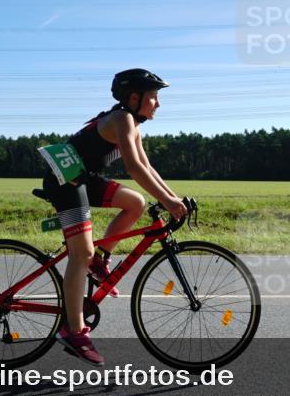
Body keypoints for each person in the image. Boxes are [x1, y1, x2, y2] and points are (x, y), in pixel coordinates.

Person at [40, 69, 188, 366]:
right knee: (80, 252)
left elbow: (148, 169)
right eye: (154, 97)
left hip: (83, 178)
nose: (158, 104)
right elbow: (134, 169)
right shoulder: (122, 119)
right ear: (134, 98)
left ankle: (100, 259)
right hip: (65, 182)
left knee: (136, 203)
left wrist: (174, 198)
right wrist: (170, 202)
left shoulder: (132, 123)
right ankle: (73, 329)